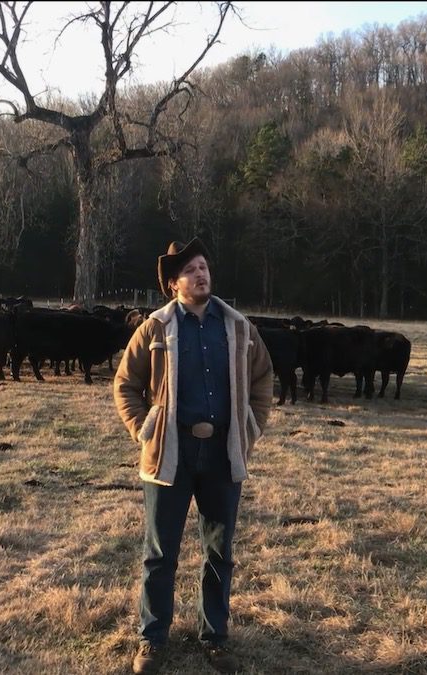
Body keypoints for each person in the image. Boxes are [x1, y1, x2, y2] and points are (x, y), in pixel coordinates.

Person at [113, 238, 274, 674]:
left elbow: (262, 379)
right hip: (171, 453)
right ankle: (152, 639)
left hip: (222, 453)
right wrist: (145, 430)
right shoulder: (154, 328)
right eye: (191, 270)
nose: (202, 274)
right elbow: (125, 385)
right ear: (173, 284)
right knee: (160, 551)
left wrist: (251, 428)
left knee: (219, 550)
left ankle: (215, 636)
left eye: (204, 267)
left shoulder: (239, 327)